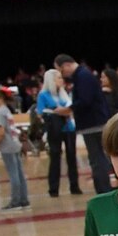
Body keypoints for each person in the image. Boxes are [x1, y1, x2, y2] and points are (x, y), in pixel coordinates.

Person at [60, 54, 116, 194]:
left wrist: (69, 109)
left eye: (61, 70)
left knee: (97, 158)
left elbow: (86, 100)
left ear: (67, 65)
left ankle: (104, 190)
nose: (63, 74)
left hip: (93, 124)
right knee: (97, 157)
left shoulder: (83, 76)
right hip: (93, 123)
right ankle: (103, 188)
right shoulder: (82, 75)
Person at [37, 67, 78, 197]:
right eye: (59, 77)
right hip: (54, 129)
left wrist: (64, 111)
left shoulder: (64, 93)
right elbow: (40, 112)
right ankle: (53, 189)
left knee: (72, 156)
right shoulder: (43, 95)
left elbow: (71, 109)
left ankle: (75, 186)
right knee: (55, 157)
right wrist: (58, 111)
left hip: (69, 128)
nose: (61, 80)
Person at [0, 89, 29, 212]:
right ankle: (24, 199)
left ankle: (15, 201)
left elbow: (0, 132)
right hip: (15, 144)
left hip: (7, 147)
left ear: (0, 98)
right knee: (20, 174)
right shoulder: (7, 111)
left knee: (13, 175)